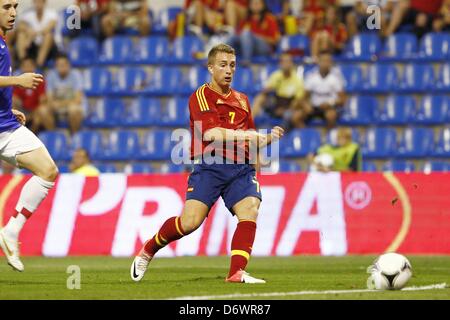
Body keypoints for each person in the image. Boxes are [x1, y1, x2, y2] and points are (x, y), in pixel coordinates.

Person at [131, 44, 284, 283]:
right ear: (210, 67)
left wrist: (264, 143)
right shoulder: (201, 96)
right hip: (211, 165)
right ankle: (148, 250)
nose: (228, 70)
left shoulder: (243, 100)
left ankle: (236, 273)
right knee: (189, 223)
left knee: (250, 211)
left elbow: (251, 137)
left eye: (232, 65)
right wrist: (250, 137)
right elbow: (211, 134)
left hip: (240, 168)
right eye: (223, 65)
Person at [0, 0, 59, 272]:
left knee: (47, 170)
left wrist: (7, 106)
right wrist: (18, 81)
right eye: (5, 7)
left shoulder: (2, 41)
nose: (13, 13)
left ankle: (11, 231)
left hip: (6, 126)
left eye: (15, 6)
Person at [293, 51, 346, 129]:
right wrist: (306, 105)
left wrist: (330, 103)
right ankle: (307, 136)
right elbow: (304, 97)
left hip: (329, 108)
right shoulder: (311, 76)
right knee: (296, 117)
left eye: (328, 61)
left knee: (331, 116)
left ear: (330, 63)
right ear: (318, 62)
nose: (325, 63)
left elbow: (342, 99)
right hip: (314, 108)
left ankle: (326, 138)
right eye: (323, 61)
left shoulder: (336, 78)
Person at [252, 52, 305, 128]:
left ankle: (296, 135)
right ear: (280, 64)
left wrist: (286, 110)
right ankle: (249, 122)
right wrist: (269, 89)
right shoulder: (276, 75)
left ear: (292, 64)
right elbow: (266, 90)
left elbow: (298, 100)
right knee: (261, 97)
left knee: (295, 114)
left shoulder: (297, 80)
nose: (286, 64)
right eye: (284, 62)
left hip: (290, 106)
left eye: (288, 62)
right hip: (277, 103)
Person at [227, 0, 280, 65]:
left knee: (246, 33)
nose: (255, 5)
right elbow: (238, 37)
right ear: (249, 6)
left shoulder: (270, 18)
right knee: (233, 36)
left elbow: (275, 41)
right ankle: (221, 57)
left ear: (263, 5)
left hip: (265, 48)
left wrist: (256, 37)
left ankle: (246, 60)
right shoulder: (246, 19)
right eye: (253, 3)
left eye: (257, 3)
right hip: (248, 47)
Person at [46, 53, 84, 134]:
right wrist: (53, 104)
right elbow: (49, 99)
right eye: (59, 65)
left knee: (73, 109)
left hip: (71, 106)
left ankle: (74, 136)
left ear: (68, 65)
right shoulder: (51, 76)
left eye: (64, 64)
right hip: (57, 108)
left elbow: (78, 100)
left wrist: (60, 104)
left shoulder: (76, 75)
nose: (61, 67)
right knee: (43, 111)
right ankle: (54, 136)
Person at [12, 56, 53, 133]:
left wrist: (32, 115)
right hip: (22, 111)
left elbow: (43, 101)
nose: (28, 69)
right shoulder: (17, 81)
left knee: (42, 111)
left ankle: (49, 135)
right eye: (25, 66)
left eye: (30, 66)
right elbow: (15, 99)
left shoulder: (40, 81)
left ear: (34, 67)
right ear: (21, 68)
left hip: (36, 112)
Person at [15, 0, 58, 68]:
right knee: (21, 34)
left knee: (48, 35)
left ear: (44, 3)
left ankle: (39, 64)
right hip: (33, 44)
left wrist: (31, 36)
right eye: (36, 2)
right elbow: (20, 26)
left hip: (49, 46)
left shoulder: (51, 14)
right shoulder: (28, 14)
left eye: (40, 2)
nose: (38, 4)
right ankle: (23, 62)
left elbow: (48, 28)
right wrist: (28, 31)